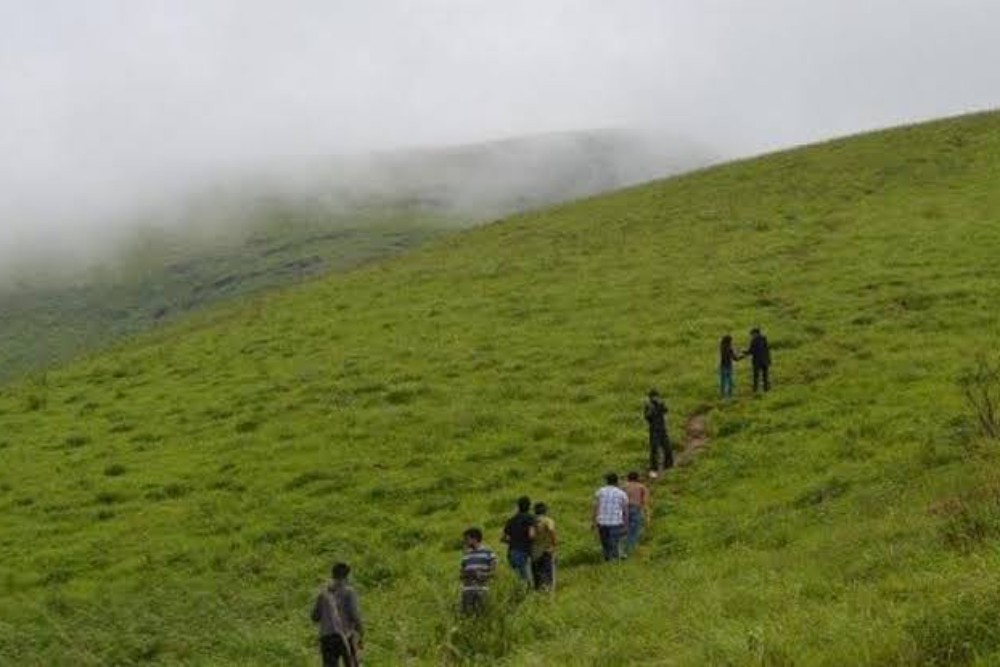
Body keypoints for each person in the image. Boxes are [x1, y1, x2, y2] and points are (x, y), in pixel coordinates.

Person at [311, 562, 364, 667]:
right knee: (352, 664)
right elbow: (354, 614)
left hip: (327, 637)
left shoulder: (323, 593)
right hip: (345, 636)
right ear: (347, 576)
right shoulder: (349, 592)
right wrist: (360, 630)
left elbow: (315, 617)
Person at [460, 527, 498, 615]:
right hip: (467, 590)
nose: (465, 541)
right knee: (467, 615)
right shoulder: (466, 555)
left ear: (475, 539)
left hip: (482, 589)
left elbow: (494, 572)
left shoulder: (488, 553)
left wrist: (481, 575)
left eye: (467, 539)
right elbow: (461, 573)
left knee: (483, 614)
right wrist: (465, 574)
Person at [592, 472, 629, 562]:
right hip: (616, 522)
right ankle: (614, 561)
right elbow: (625, 510)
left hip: (602, 522)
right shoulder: (622, 494)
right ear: (617, 481)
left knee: (605, 543)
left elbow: (595, 507)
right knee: (614, 543)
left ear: (606, 481)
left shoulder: (600, 491)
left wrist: (593, 521)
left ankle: (607, 559)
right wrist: (626, 523)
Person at [501, 496, 536, 584]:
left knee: (517, 579)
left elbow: (503, 538)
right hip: (523, 552)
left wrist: (514, 541)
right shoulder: (530, 518)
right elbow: (531, 535)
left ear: (518, 506)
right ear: (529, 506)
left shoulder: (511, 520)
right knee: (526, 581)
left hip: (511, 552)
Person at [644, 389, 672, 475]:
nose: (656, 398)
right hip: (654, 430)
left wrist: (660, 404)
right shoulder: (648, 406)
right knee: (654, 450)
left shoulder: (660, 404)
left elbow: (665, 410)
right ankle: (653, 467)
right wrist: (652, 409)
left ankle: (668, 465)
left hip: (662, 429)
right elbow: (647, 417)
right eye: (654, 397)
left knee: (667, 447)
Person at [530, 502, 557, 591]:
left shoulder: (532, 521)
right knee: (548, 572)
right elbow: (551, 530)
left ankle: (538, 590)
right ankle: (548, 591)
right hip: (546, 549)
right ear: (545, 511)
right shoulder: (548, 520)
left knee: (536, 573)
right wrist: (554, 544)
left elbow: (531, 535)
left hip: (534, 551)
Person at [623, 471, 650, 555]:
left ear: (628, 478)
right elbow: (645, 502)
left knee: (623, 530)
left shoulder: (624, 487)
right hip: (636, 508)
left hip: (624, 509)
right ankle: (629, 550)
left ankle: (621, 549)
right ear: (638, 478)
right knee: (634, 530)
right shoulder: (642, 487)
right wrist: (647, 514)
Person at [744, 327, 772, 393]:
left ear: (755, 333)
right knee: (765, 376)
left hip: (757, 361)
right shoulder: (764, 339)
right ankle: (766, 389)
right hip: (765, 360)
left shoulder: (754, 340)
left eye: (752, 334)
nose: (752, 336)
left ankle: (755, 389)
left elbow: (751, 351)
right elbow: (767, 350)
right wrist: (768, 360)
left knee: (756, 376)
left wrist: (744, 352)